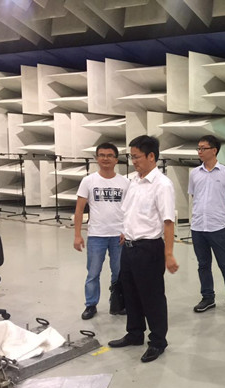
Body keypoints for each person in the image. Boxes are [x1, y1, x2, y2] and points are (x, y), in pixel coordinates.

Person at [108, 135, 179, 363]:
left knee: (152, 297)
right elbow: (131, 212)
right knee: (130, 293)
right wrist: (125, 231)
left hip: (149, 249)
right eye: (131, 157)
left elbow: (168, 221)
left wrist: (169, 254)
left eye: (137, 157)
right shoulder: (134, 181)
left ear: (151, 156)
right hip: (129, 247)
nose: (133, 161)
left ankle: (158, 341)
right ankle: (135, 333)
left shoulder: (162, 185)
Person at [74, 143, 129, 320]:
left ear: (116, 159)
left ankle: (117, 302)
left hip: (118, 235)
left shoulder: (125, 182)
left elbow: (130, 210)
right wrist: (77, 235)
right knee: (93, 273)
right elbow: (79, 209)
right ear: (97, 158)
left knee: (119, 272)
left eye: (110, 155)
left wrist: (127, 231)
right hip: (96, 235)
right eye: (102, 155)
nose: (106, 158)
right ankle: (91, 305)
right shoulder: (88, 181)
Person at [189, 135, 225, 319]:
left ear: (214, 150)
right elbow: (194, 196)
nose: (199, 152)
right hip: (198, 227)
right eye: (198, 148)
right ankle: (208, 297)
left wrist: (216, 210)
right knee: (203, 265)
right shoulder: (194, 173)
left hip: (217, 227)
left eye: (203, 148)